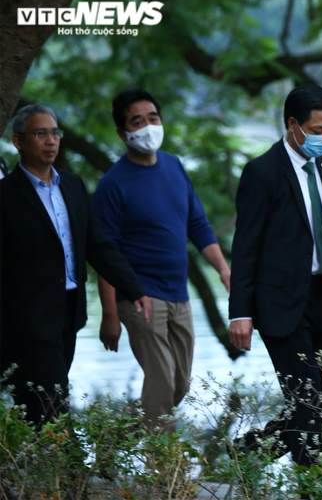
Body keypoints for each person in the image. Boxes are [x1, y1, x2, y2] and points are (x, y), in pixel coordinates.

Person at [227, 84, 322, 469]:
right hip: (280, 303)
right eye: (317, 130)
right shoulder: (262, 172)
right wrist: (239, 312)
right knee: (307, 399)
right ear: (292, 125)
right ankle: (310, 486)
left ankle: (251, 450)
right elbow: (245, 248)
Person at [0, 104, 151, 427]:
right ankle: (70, 472)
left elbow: (96, 244)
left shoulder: (72, 185)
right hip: (27, 317)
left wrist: (133, 287)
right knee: (54, 397)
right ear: (18, 141)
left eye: (55, 133)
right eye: (40, 134)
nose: (51, 141)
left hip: (70, 308)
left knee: (38, 399)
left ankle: (35, 467)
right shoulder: (5, 195)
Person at [93, 89, 230, 431]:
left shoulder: (173, 166)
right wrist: (110, 314)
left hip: (178, 295)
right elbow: (103, 253)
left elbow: (197, 224)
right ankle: (166, 473)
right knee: (162, 381)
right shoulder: (113, 185)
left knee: (178, 385)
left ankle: (109, 443)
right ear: (123, 133)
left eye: (153, 118)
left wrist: (224, 269)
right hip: (138, 297)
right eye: (137, 121)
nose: (148, 126)